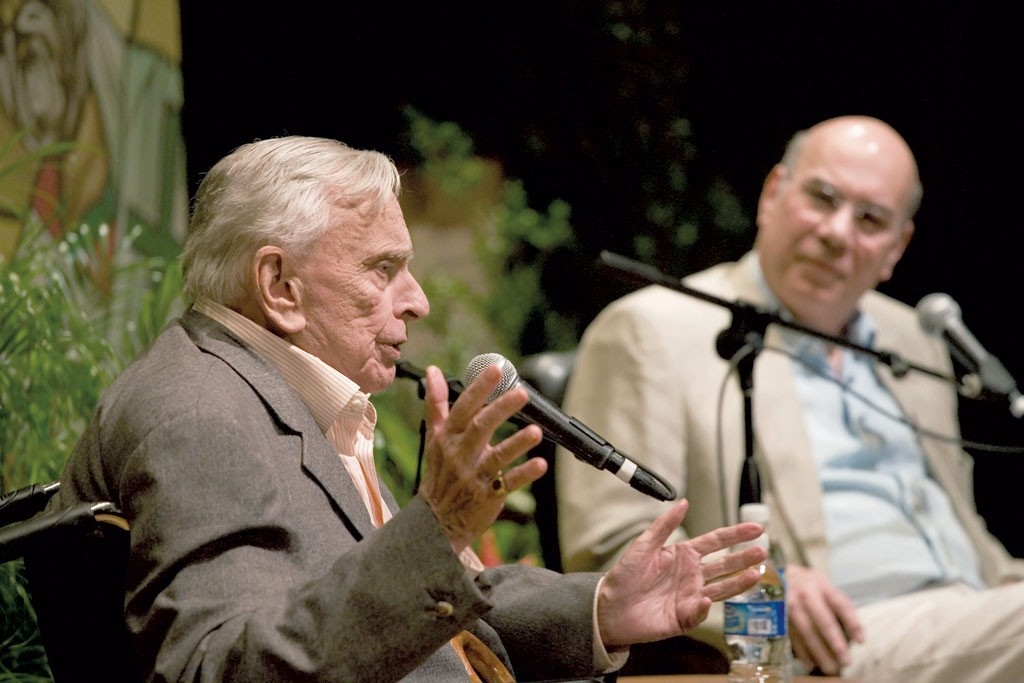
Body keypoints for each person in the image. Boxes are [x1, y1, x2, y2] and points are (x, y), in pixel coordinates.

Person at [47, 135, 767, 682]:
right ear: (279, 286)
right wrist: (439, 525)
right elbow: (221, 667)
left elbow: (424, 610)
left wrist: (599, 606)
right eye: (383, 269)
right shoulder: (201, 415)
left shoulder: (281, 389)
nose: (417, 300)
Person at [555, 115, 1024, 682]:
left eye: (871, 219)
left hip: (980, 608)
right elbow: (613, 545)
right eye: (822, 198)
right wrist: (764, 591)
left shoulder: (912, 337)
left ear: (896, 247)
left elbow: (962, 521)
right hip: (839, 639)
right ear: (773, 193)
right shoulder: (652, 328)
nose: (837, 231)